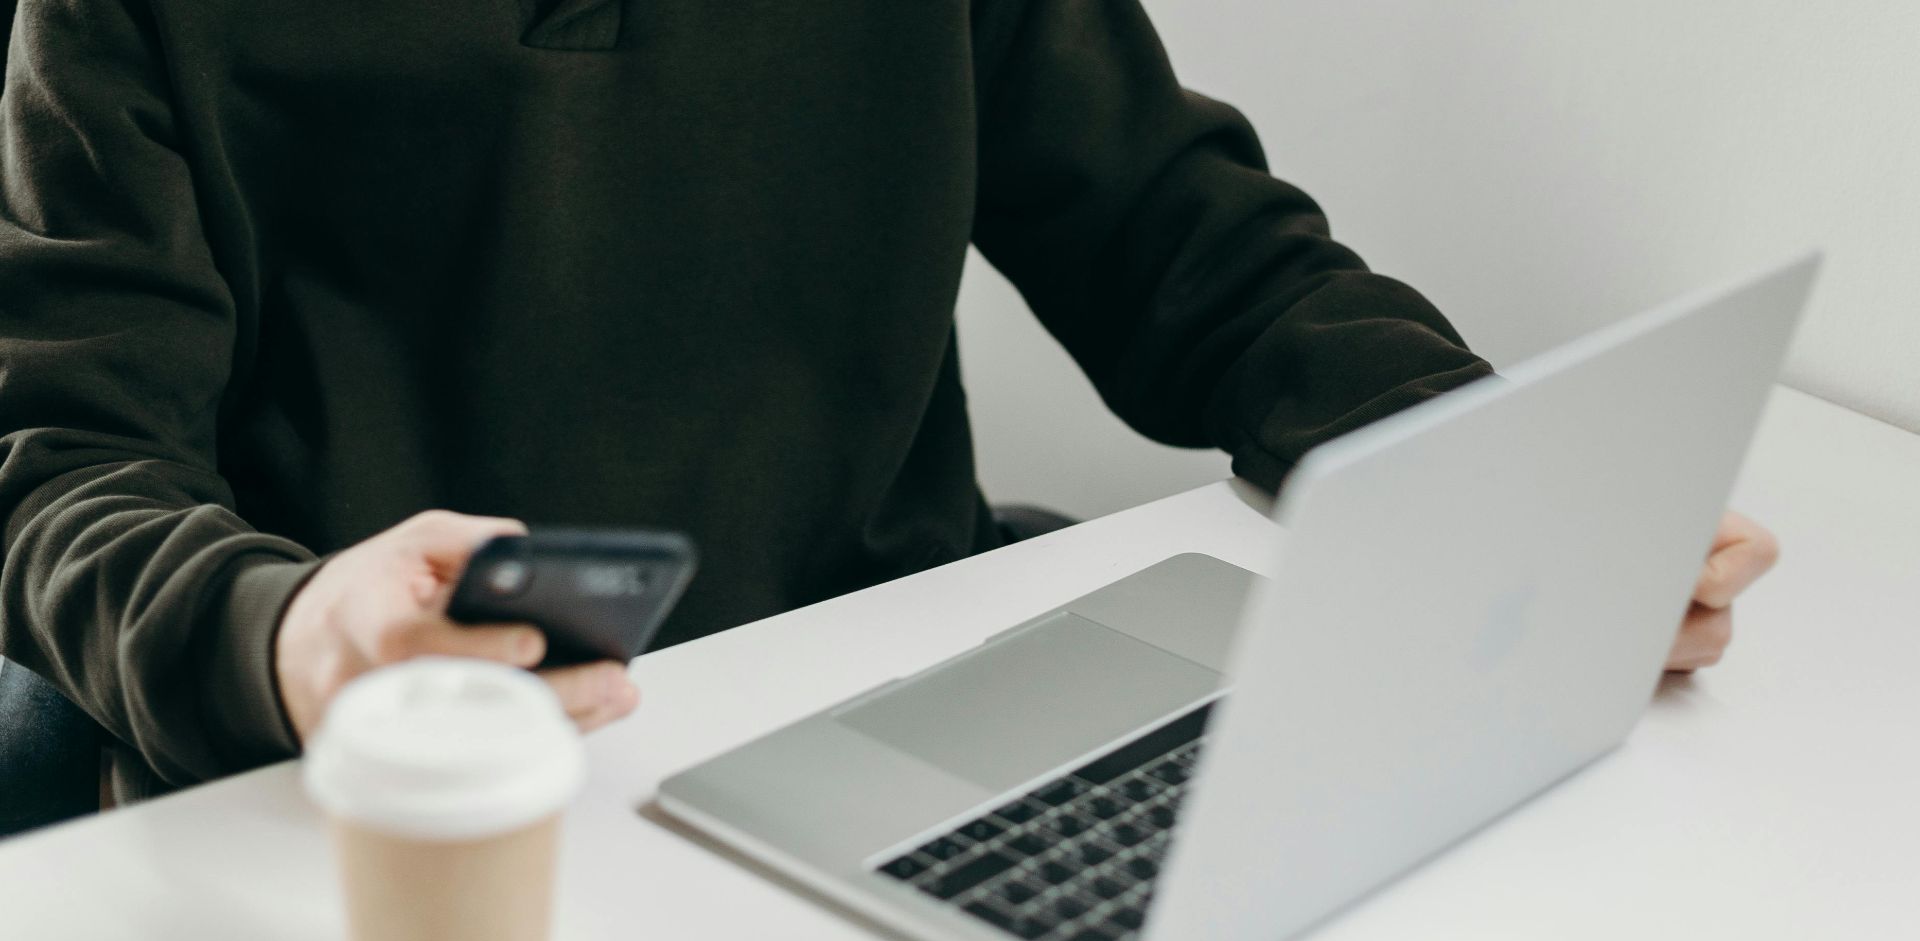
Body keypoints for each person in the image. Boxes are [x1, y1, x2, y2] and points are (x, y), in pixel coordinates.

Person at [0, 0, 1775, 806]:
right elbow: (58, 460)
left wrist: (1506, 497)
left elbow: (1197, 255)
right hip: (388, 784)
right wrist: (285, 627)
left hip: (874, 700)